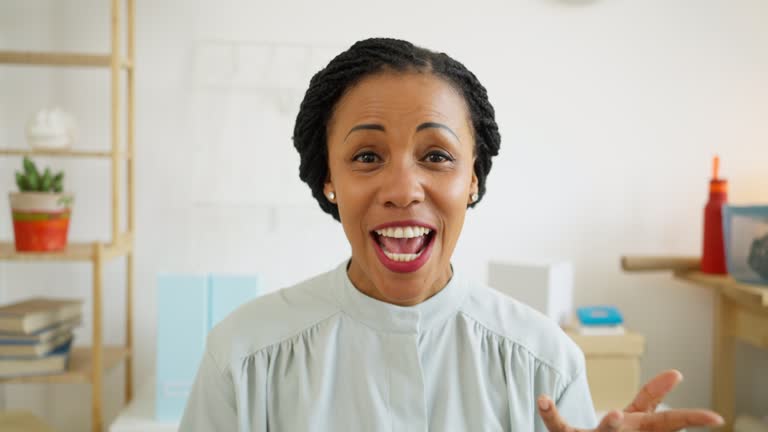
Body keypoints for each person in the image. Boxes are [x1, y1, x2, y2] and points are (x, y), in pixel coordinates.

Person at [179, 37, 723, 431]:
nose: (403, 188)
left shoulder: (544, 361)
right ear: (329, 180)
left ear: (473, 180)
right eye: (367, 156)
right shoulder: (244, 355)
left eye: (436, 156)